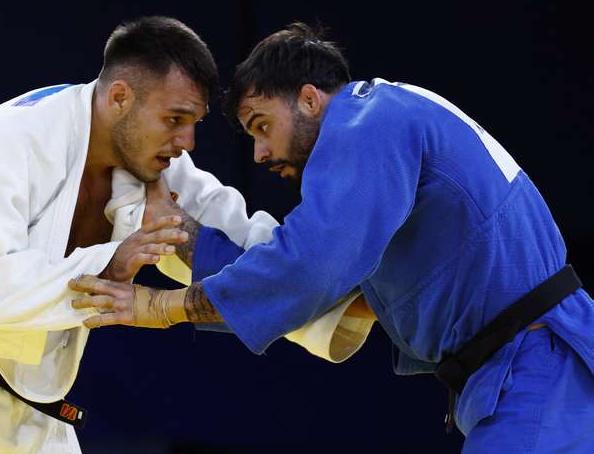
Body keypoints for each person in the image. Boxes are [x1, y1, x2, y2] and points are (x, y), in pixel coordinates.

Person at [71, 23, 594, 452]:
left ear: (309, 99)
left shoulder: (366, 123)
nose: (259, 153)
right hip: (528, 369)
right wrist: (187, 237)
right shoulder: (392, 122)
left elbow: (306, 268)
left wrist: (161, 306)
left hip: (537, 366)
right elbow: (319, 280)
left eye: (261, 125)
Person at [0, 16, 303, 453]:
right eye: (174, 120)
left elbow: (241, 239)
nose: (186, 142)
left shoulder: (156, 163)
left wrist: (332, 279)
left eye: (194, 124)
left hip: (27, 412)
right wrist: (109, 264)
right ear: (119, 98)